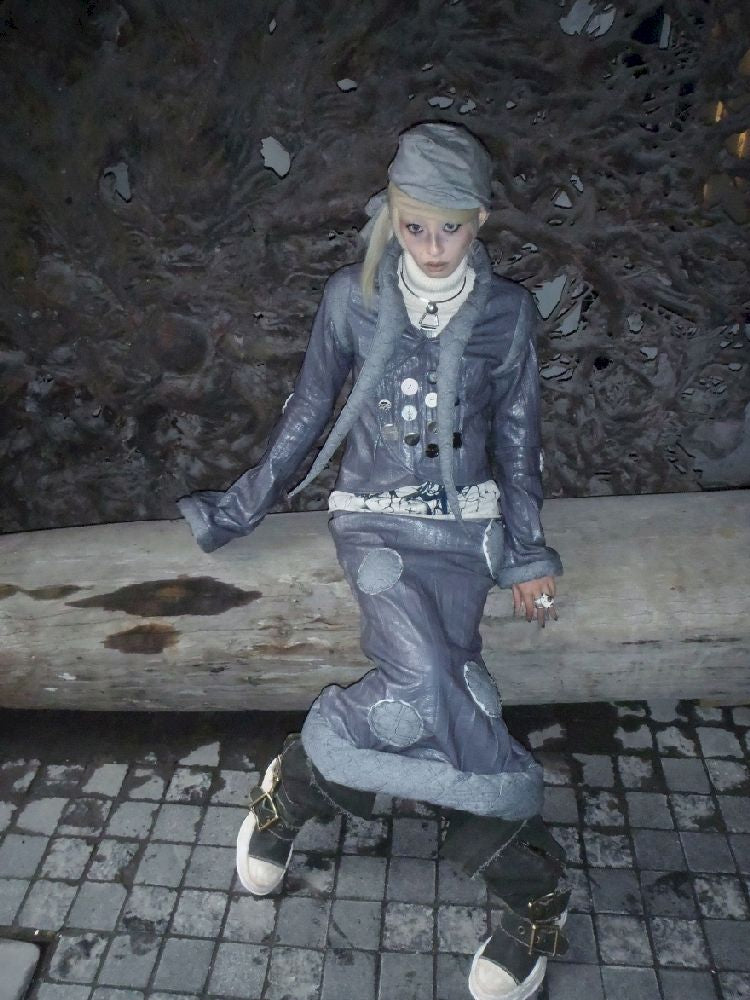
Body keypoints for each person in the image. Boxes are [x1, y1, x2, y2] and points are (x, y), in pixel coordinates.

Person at [178, 122, 569, 1000]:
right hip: (376, 524)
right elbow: (307, 412)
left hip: (465, 530)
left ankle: (296, 788)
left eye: (450, 229)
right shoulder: (349, 299)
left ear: (479, 222)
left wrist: (527, 552)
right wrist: (237, 509)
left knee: (452, 690)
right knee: (430, 675)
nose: (431, 248)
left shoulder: (507, 312)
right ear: (391, 217)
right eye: (414, 226)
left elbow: (519, 439)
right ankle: (532, 894)